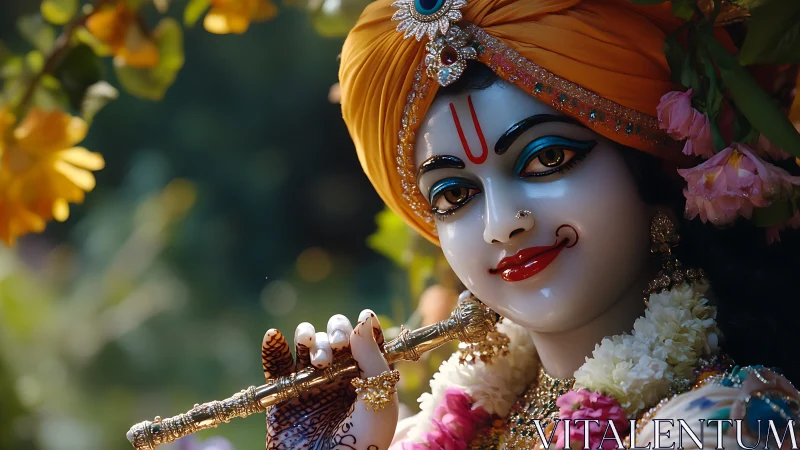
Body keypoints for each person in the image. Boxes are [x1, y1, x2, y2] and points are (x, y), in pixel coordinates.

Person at [259, 1, 800, 449]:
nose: (501, 225)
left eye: (546, 159)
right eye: (454, 194)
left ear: (652, 168)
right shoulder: (434, 432)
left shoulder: (729, 422)